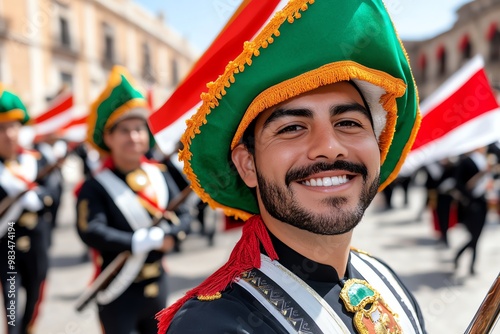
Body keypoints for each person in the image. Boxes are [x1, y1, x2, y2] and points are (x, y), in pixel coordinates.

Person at [155, 1, 426, 333]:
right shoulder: (210, 325)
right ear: (247, 165)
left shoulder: (384, 278)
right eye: (292, 128)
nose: (329, 147)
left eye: (349, 123)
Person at [75, 66, 191, 334]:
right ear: (108, 137)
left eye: (139, 129)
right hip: (118, 289)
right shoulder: (94, 186)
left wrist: (172, 235)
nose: (134, 137)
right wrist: (135, 241)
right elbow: (90, 230)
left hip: (158, 284)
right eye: (125, 130)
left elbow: (184, 215)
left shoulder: (159, 175)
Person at [0, 85, 55, 334]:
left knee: (35, 295)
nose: (9, 134)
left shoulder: (37, 159)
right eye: (1, 128)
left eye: (13, 126)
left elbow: (54, 190)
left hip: (37, 240)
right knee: (10, 302)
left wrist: (39, 197)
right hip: (6, 242)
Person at [453, 147, 490, 275]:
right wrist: (469, 198)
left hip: (483, 202)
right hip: (471, 204)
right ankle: (462, 258)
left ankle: (470, 265)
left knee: (477, 236)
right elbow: (458, 183)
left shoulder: (485, 160)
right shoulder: (465, 161)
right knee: (474, 236)